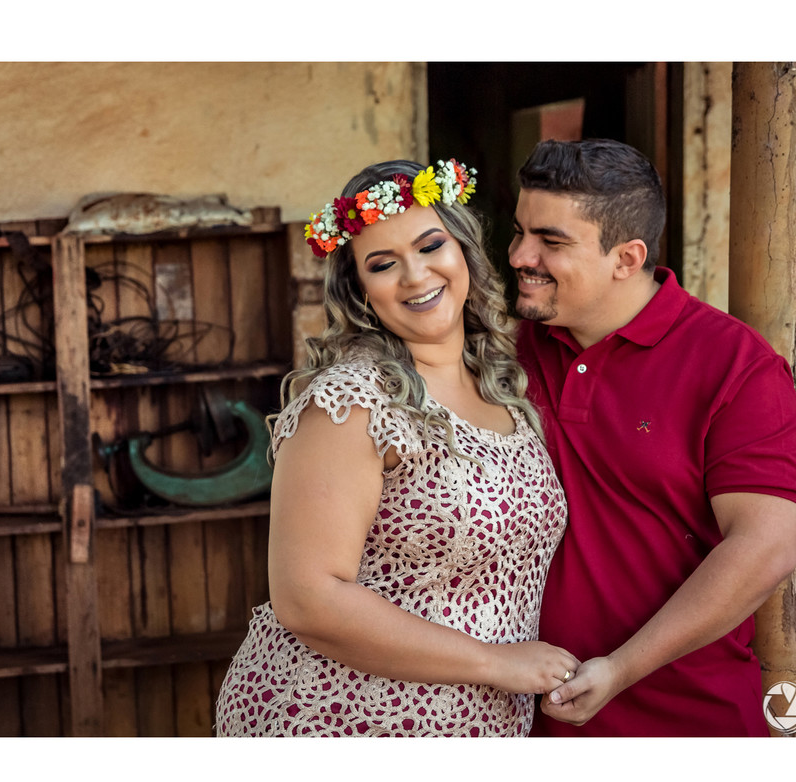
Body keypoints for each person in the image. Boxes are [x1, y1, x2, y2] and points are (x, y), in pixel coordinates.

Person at [214, 158, 575, 737]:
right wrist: (496, 663)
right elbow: (308, 598)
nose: (415, 276)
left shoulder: (504, 386)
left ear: (463, 251)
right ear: (359, 290)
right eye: (383, 264)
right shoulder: (352, 402)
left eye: (431, 246)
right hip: (342, 717)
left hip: (475, 722)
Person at [509, 139, 796, 737]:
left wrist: (620, 670)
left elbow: (765, 549)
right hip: (518, 718)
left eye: (551, 241)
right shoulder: (508, 349)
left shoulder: (735, 366)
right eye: (519, 232)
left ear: (627, 257)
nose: (519, 255)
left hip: (685, 722)